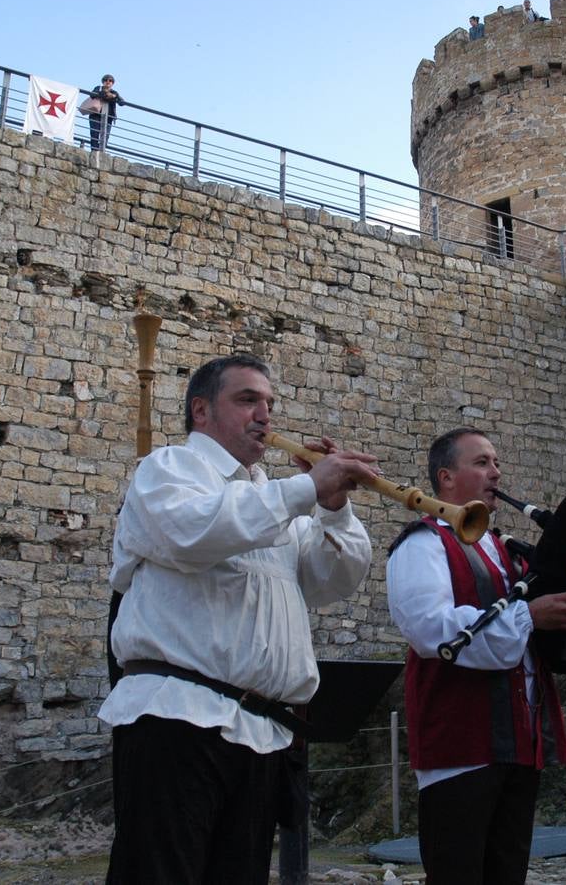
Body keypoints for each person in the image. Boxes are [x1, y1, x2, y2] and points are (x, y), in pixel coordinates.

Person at [99, 355, 376, 884]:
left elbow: (332, 580)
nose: (264, 415)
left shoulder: (268, 500)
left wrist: (334, 506)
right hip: (176, 722)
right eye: (247, 400)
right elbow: (194, 532)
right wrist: (304, 490)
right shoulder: (169, 469)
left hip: (260, 735)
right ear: (201, 411)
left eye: (269, 403)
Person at [387, 426, 566, 885]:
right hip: (460, 745)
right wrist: (529, 616)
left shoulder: (502, 547)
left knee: (506, 874)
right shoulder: (423, 544)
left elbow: (554, 611)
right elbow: (431, 628)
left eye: (496, 462)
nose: (497, 472)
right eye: (482, 462)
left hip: (517, 740)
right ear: (446, 478)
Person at [87, 74, 124, 151]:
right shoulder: (98, 88)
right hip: (96, 115)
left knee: (105, 138)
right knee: (94, 135)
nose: (108, 82)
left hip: (108, 118)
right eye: (106, 80)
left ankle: (101, 153)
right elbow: (92, 95)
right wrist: (106, 94)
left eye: (110, 80)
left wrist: (114, 96)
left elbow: (122, 102)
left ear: (112, 83)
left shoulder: (114, 92)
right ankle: (94, 152)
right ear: (103, 82)